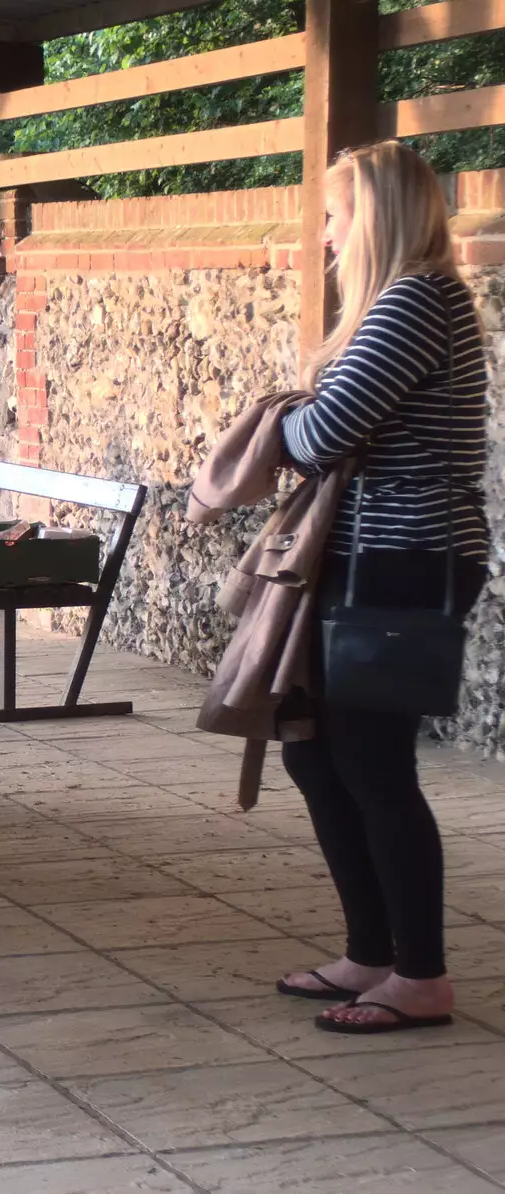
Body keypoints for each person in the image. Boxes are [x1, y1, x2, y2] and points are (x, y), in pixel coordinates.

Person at [273, 142, 489, 1034]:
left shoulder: (414, 302)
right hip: (377, 559)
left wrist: (278, 421)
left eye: (333, 216)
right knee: (314, 749)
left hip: (407, 561)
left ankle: (422, 975)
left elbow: (322, 433)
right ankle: (373, 952)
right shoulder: (408, 304)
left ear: (374, 217)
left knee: (370, 762)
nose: (324, 237)